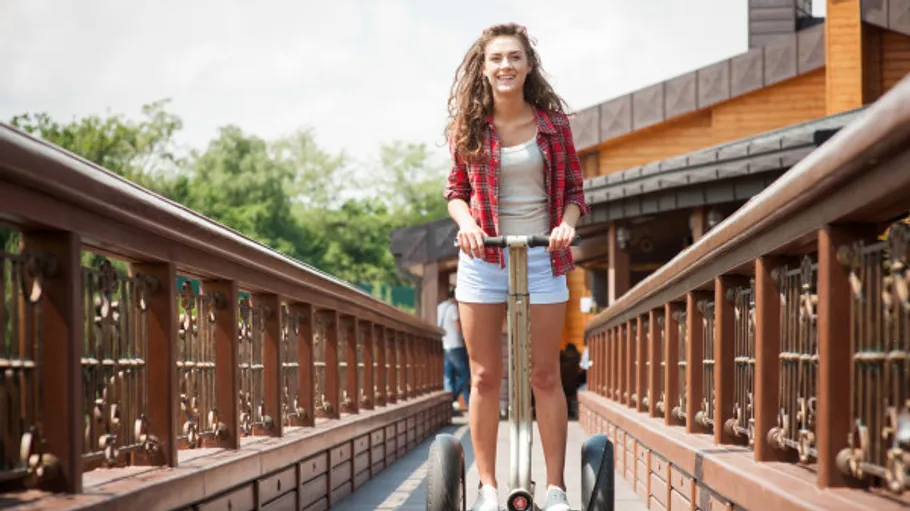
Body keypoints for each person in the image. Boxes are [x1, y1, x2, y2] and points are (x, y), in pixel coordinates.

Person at [443, 22, 589, 511]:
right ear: (483, 69)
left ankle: (555, 489)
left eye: (514, 58)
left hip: (544, 256)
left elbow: (573, 193)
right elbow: (455, 193)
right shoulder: (469, 126)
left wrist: (566, 226)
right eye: (496, 59)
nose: (505, 66)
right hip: (483, 258)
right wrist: (465, 223)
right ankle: (487, 487)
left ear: (528, 65)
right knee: (485, 378)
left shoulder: (553, 125)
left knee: (545, 375)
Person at [438, 288, 471, 411]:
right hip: (456, 345)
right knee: (466, 375)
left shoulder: (440, 307)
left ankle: (448, 405)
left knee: (448, 376)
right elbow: (458, 326)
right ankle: (451, 398)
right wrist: (466, 338)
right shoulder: (453, 308)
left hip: (445, 344)